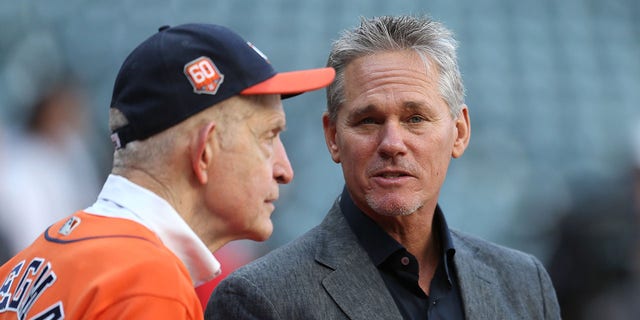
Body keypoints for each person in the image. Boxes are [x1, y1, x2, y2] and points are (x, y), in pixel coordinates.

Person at [206, 15, 560, 319]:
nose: (392, 143)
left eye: (416, 118)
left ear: (460, 132)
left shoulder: (525, 283)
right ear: (332, 137)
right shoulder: (261, 298)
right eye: (368, 121)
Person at [0, 23, 334, 319]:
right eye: (268, 137)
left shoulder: (23, 266)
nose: (284, 170)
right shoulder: (149, 284)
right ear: (205, 151)